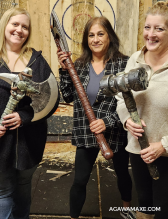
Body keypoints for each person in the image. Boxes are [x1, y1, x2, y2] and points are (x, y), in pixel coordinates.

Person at [57, 16, 136, 219]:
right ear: (86, 39)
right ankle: (73, 216)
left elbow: (131, 103)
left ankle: (126, 209)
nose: (95, 39)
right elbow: (67, 95)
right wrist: (65, 71)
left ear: (109, 36)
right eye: (91, 35)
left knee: (122, 173)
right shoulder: (80, 64)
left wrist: (107, 121)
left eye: (100, 34)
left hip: (115, 131)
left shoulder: (124, 63)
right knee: (79, 180)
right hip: (86, 130)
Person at [0, 7, 59, 219]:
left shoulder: (36, 61)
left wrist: (25, 117)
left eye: (25, 27)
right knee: (1, 193)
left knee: (22, 191)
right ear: (5, 25)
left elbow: (50, 99)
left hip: (29, 143)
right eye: (15, 24)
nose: (19, 30)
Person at [116, 0, 168, 219]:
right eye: (148, 27)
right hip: (138, 149)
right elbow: (121, 95)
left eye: (159, 28)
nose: (151, 34)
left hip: (165, 153)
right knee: (145, 204)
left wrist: (163, 146)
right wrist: (126, 120)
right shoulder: (135, 60)